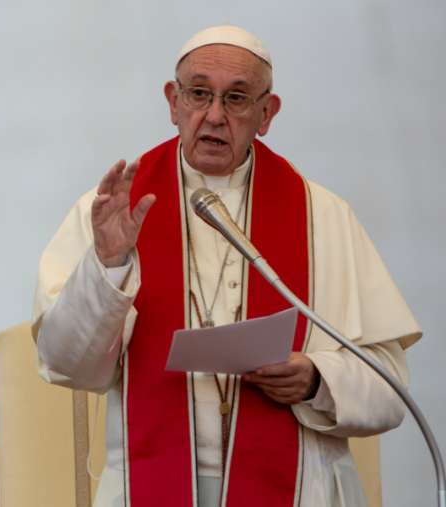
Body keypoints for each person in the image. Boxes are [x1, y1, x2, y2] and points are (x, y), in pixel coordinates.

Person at [32, 25, 421, 507]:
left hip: (297, 491)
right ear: (173, 101)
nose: (214, 115)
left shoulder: (323, 217)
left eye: (236, 98)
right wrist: (109, 264)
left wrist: (318, 380)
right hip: (148, 487)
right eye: (199, 94)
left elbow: (390, 390)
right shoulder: (113, 210)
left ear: (267, 113)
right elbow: (65, 364)